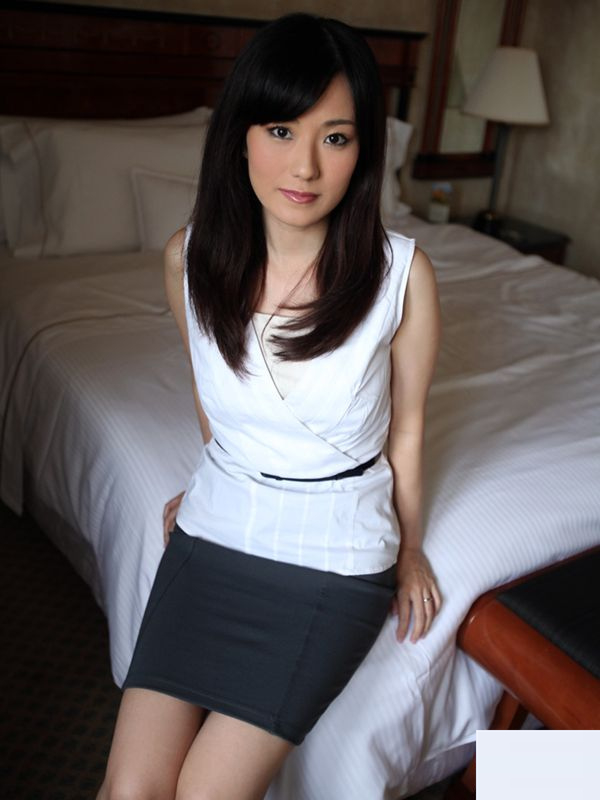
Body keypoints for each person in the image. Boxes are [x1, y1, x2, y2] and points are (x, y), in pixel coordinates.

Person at [98, 12, 441, 800]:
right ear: (240, 135)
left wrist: (412, 548)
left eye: (336, 138)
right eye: (282, 130)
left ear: (364, 151)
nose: (306, 167)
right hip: (215, 532)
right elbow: (211, 394)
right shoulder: (188, 260)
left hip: (333, 561)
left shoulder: (401, 277)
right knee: (129, 790)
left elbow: (409, 429)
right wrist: (221, 474)